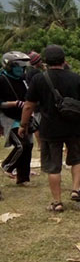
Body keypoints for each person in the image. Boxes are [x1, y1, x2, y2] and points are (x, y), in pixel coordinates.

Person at [19, 45, 80, 212]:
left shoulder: (39, 79)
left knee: (53, 165)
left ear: (45, 62)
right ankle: (76, 189)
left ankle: (57, 201)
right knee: (77, 158)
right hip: (75, 126)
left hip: (50, 129)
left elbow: (28, 106)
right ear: (64, 60)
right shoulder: (76, 78)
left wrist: (23, 125)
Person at [0, 51, 33, 185]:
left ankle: (23, 178)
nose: (21, 69)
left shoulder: (23, 79)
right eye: (17, 66)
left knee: (29, 145)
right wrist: (15, 103)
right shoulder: (2, 79)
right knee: (21, 145)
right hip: (7, 117)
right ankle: (6, 166)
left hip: (22, 116)